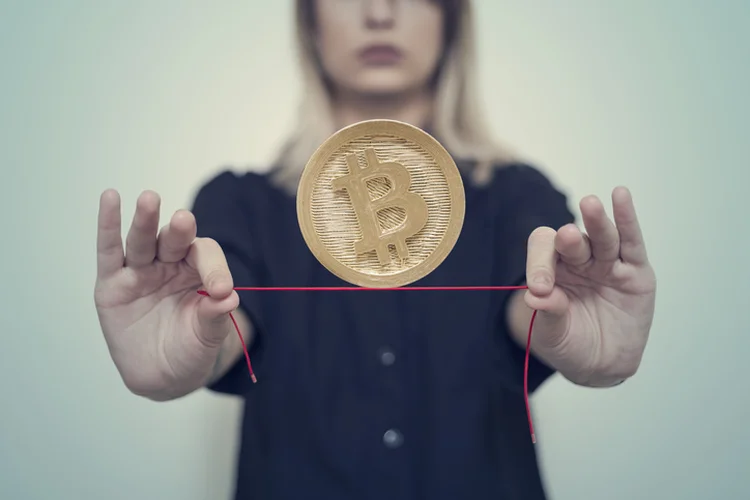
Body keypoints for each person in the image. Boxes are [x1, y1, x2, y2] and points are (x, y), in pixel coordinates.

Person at [94, 0, 657, 499]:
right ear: (310, 21)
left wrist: (570, 333)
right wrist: (179, 363)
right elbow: (224, 319)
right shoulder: (239, 203)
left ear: (451, 21)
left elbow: (532, 302)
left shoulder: (517, 194)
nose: (380, 12)